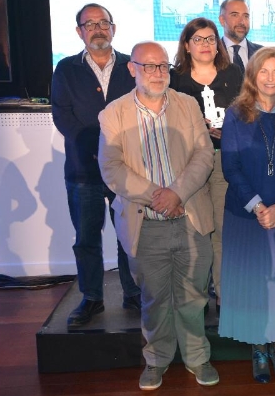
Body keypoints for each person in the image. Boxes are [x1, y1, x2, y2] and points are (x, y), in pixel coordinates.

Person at [98, 41, 218, 390]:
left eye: (163, 66)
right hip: (144, 222)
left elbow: (204, 154)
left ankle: (198, 358)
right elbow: (111, 168)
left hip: (189, 217)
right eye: (149, 66)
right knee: (154, 299)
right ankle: (156, 360)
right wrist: (158, 197)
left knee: (194, 296)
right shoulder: (113, 114)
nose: (157, 73)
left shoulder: (188, 105)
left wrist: (177, 193)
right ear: (132, 69)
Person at [219, 47, 275, 383]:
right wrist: (259, 207)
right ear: (253, 76)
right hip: (248, 215)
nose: (271, 78)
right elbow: (231, 167)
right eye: (264, 71)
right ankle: (258, 349)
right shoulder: (235, 114)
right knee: (254, 284)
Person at [50, 3, 141, 327]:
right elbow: (62, 115)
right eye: (90, 24)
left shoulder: (132, 66)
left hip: (125, 170)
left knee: (127, 236)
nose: (98, 28)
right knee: (87, 237)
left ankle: (133, 292)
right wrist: (97, 149)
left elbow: (140, 110)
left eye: (104, 22)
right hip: (83, 170)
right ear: (79, 32)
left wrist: (116, 152)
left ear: (113, 28)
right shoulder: (66, 69)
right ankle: (91, 298)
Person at [170, 17, 243, 314]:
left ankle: (224, 294)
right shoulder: (174, 79)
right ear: (186, 45)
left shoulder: (233, 73)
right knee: (196, 231)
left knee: (224, 231)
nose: (205, 45)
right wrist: (194, 126)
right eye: (198, 39)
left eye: (210, 39)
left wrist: (229, 131)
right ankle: (195, 296)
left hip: (225, 160)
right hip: (190, 164)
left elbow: (246, 113)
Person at [218, 0, 263, 77]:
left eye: (246, 16)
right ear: (222, 20)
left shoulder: (262, 53)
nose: (242, 22)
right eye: (235, 15)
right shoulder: (213, 53)